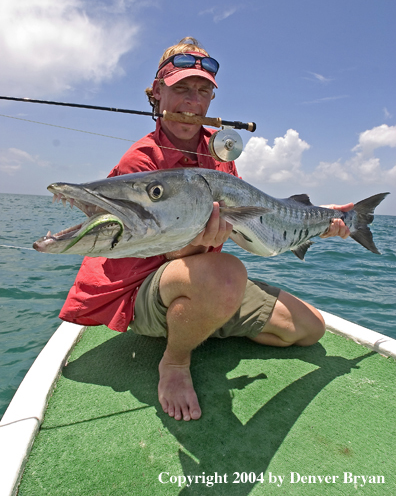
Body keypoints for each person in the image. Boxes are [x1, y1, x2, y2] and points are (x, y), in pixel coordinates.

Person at [60, 37, 352, 422]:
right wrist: (198, 248)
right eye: (180, 88)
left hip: (202, 280)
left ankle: (200, 319)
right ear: (157, 94)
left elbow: (251, 224)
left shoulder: (218, 150)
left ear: (211, 100)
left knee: (308, 329)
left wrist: (315, 219)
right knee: (226, 271)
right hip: (143, 288)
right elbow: (145, 250)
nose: (191, 102)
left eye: (202, 91)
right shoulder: (141, 161)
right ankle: (175, 362)